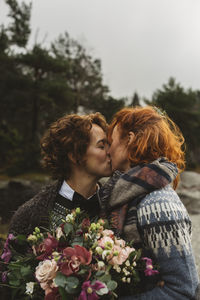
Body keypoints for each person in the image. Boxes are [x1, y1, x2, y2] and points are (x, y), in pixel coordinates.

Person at [99, 106, 199, 299]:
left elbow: (183, 291)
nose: (108, 150)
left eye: (111, 142)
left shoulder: (158, 204)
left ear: (129, 139)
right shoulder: (128, 195)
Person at [9, 112, 112, 236]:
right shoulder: (30, 215)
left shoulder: (116, 205)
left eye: (109, 145)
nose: (110, 151)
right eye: (101, 146)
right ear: (74, 155)